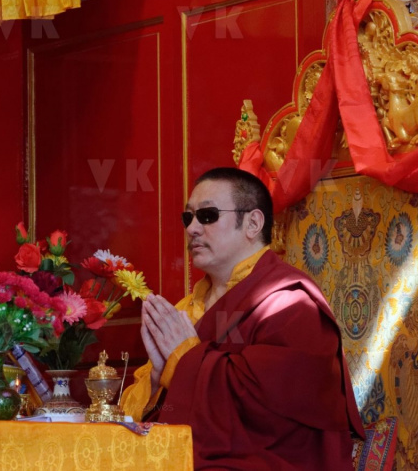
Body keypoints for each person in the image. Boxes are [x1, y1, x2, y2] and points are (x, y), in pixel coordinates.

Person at [121, 167, 364, 470]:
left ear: (252, 223)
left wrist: (184, 362)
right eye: (188, 218)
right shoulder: (186, 309)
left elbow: (266, 412)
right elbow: (143, 413)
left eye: (207, 216)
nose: (192, 228)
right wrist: (159, 378)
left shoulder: (291, 303)